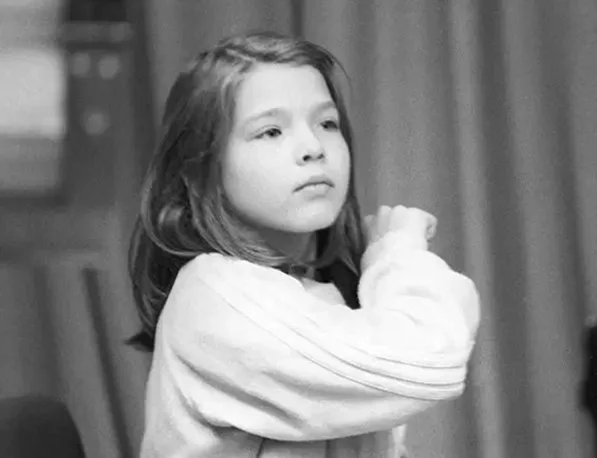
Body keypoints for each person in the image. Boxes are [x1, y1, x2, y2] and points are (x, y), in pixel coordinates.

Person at [128, 30, 480, 458]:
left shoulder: (318, 294)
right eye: (271, 131)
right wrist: (399, 253)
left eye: (327, 124)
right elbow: (430, 360)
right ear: (201, 171)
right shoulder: (216, 295)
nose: (313, 148)